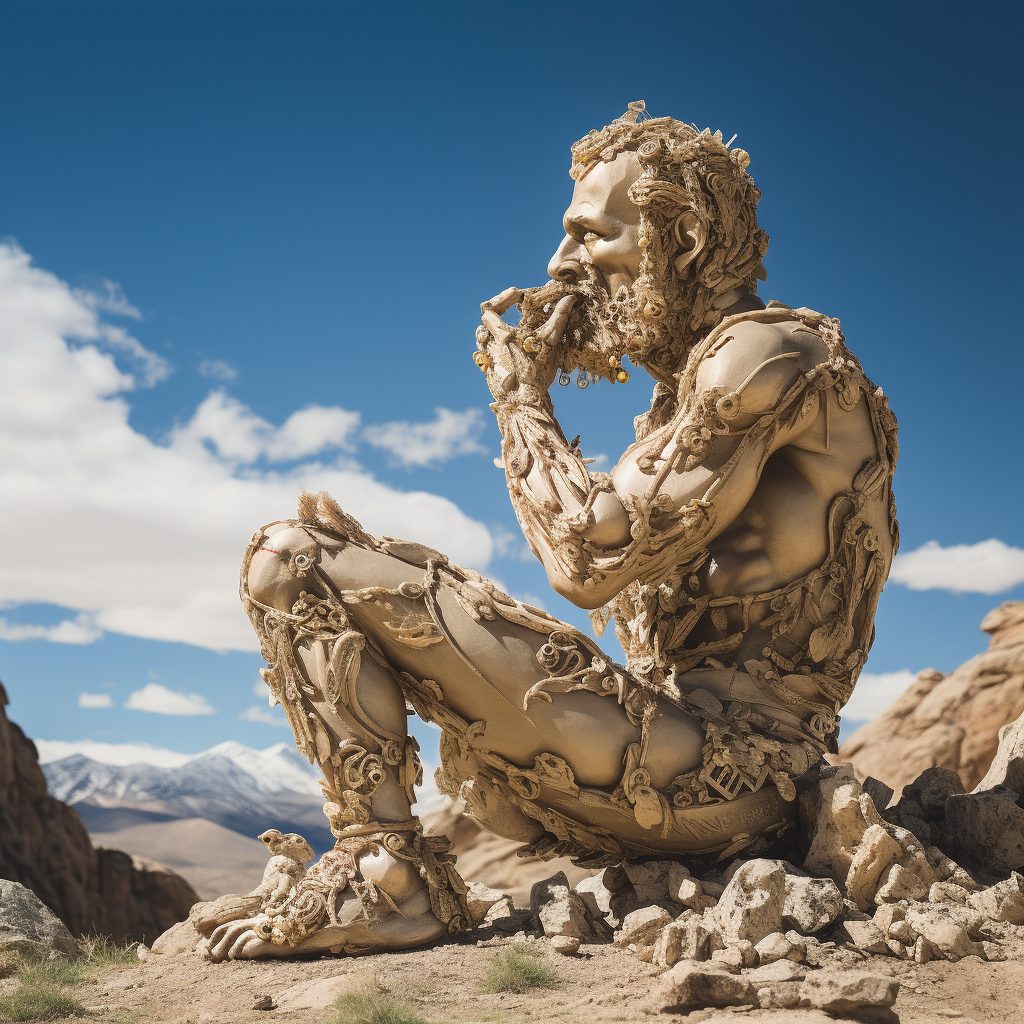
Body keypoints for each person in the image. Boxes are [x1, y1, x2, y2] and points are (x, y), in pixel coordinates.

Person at [205, 102, 898, 961]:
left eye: (587, 235)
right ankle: (381, 873)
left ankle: (385, 876)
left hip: (736, 772)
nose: (560, 264)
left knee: (293, 556)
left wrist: (521, 395)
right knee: (306, 565)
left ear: (676, 240)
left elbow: (588, 555)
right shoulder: (700, 384)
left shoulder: (768, 353)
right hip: (683, 759)